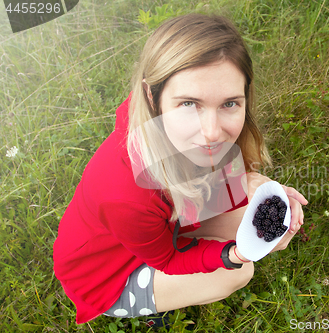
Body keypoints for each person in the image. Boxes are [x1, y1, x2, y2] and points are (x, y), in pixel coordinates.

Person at [53, 13, 307, 326]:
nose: (212, 132)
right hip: (108, 274)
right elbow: (169, 259)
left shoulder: (163, 123)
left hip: (159, 223)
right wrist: (230, 256)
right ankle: (145, 306)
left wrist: (260, 190)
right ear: (152, 96)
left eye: (229, 103)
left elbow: (211, 182)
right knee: (238, 273)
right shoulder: (126, 194)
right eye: (189, 104)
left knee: (251, 201)